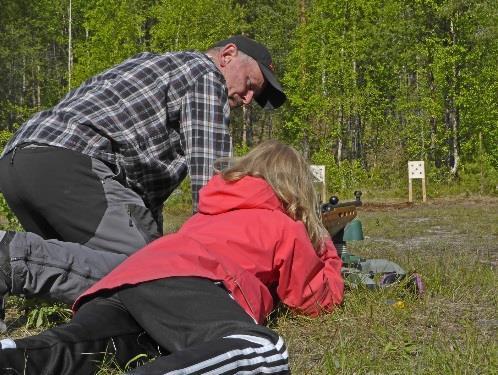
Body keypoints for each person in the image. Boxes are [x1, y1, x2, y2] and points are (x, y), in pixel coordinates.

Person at [0, 35, 286, 327]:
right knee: (155, 276)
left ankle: (20, 268)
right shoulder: (206, 76)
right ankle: (11, 255)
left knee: (87, 265)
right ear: (227, 55)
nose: (248, 99)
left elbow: (136, 202)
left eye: (255, 95)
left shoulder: (152, 64)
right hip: (71, 166)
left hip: (19, 163)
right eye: (250, 84)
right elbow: (213, 189)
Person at [0, 140, 344, 375]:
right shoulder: (283, 225)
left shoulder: (206, 214)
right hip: (190, 284)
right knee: (262, 349)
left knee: (72, 348)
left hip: (124, 281)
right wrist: (326, 249)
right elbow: (314, 299)